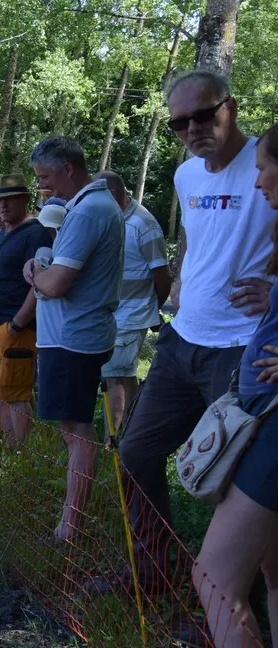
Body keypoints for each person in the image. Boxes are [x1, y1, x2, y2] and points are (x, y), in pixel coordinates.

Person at [112, 71, 278, 593]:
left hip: (243, 347)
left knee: (232, 480)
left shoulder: (266, 162)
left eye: (203, 115)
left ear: (229, 106)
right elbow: (192, 234)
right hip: (183, 338)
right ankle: (156, 572)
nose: (192, 130)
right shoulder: (186, 176)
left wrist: (275, 289)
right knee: (135, 452)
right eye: (179, 122)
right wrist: (183, 281)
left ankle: (232, 605)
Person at [192, 122, 278, 648]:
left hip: (273, 428)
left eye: (266, 168)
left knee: (215, 578)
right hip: (263, 413)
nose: (258, 182)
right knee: (273, 571)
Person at [23, 136, 124, 542]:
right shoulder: (88, 207)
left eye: (46, 178)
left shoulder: (87, 212)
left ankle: (71, 525)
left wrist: (37, 276)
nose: (44, 188)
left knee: (76, 429)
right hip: (74, 334)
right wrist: (44, 268)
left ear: (68, 169)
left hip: (72, 337)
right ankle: (73, 516)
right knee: (74, 425)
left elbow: (58, 283)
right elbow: (58, 268)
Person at [93, 170, 172, 432]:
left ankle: (112, 439)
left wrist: (152, 309)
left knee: (113, 374)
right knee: (124, 375)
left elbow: (162, 275)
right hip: (111, 314)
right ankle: (130, 430)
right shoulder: (108, 217)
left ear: (113, 195)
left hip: (131, 315)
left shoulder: (143, 225)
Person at [0, 174, 52, 448]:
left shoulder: (36, 233)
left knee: (15, 393)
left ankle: (19, 454)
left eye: (11, 200)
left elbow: (40, 282)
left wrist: (19, 323)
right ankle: (8, 446)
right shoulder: (6, 232)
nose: (4, 206)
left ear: (25, 200)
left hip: (15, 327)